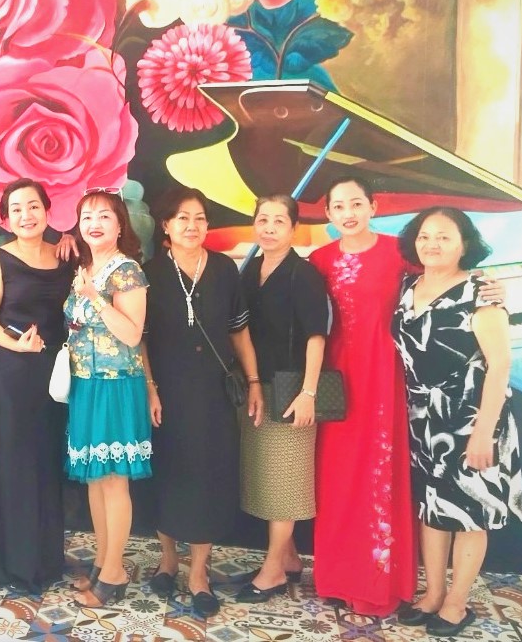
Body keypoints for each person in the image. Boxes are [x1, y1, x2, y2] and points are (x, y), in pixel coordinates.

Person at [392, 207, 522, 638]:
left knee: (470, 512)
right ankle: (433, 593)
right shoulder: (407, 286)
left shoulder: (481, 293)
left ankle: (457, 602)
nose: (432, 244)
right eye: (424, 235)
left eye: (444, 237)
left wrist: (484, 432)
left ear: (464, 244)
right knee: (432, 507)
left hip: (471, 419)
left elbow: (500, 365)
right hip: (422, 419)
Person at [142, 185, 262, 618]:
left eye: (199, 218)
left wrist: (254, 381)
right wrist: (150, 387)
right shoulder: (150, 272)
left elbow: (239, 331)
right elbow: (140, 338)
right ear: (166, 225)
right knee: (169, 471)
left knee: (208, 476)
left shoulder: (225, 269)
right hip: (167, 390)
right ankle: (168, 560)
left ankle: (198, 573)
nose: (192, 226)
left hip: (212, 391)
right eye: (183, 218)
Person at [306, 175, 417, 615]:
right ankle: (337, 577)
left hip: (384, 374)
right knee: (336, 476)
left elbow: (444, 284)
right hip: (336, 378)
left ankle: (379, 581)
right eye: (339, 206)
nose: (348, 213)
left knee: (379, 472)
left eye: (356, 204)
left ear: (373, 206)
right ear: (328, 214)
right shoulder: (319, 259)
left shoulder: (401, 253)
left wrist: (489, 288)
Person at [0, 178, 74, 593]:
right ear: (5, 218)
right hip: (12, 375)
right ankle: (14, 566)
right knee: (13, 465)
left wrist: (71, 238)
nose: (25, 215)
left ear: (47, 210)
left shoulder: (66, 255)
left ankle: (46, 561)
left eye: (33, 206)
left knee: (46, 463)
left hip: (54, 377)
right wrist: (17, 344)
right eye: (16, 209)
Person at [235, 194, 329, 606]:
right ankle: (288, 558)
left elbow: (316, 336)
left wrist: (309, 392)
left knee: (285, 483)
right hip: (256, 388)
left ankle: (272, 571)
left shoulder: (303, 274)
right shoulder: (249, 270)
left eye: (279, 221)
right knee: (265, 477)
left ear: (294, 228)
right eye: (263, 220)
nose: (269, 228)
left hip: (292, 391)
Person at [63, 189, 151, 608]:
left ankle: (115, 572)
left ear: (119, 225)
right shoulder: (84, 268)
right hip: (85, 383)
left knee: (114, 481)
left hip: (116, 385)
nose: (94, 224)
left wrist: (94, 298)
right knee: (96, 480)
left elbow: (132, 334)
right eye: (86, 216)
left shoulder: (127, 270)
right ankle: (102, 563)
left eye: (104, 216)